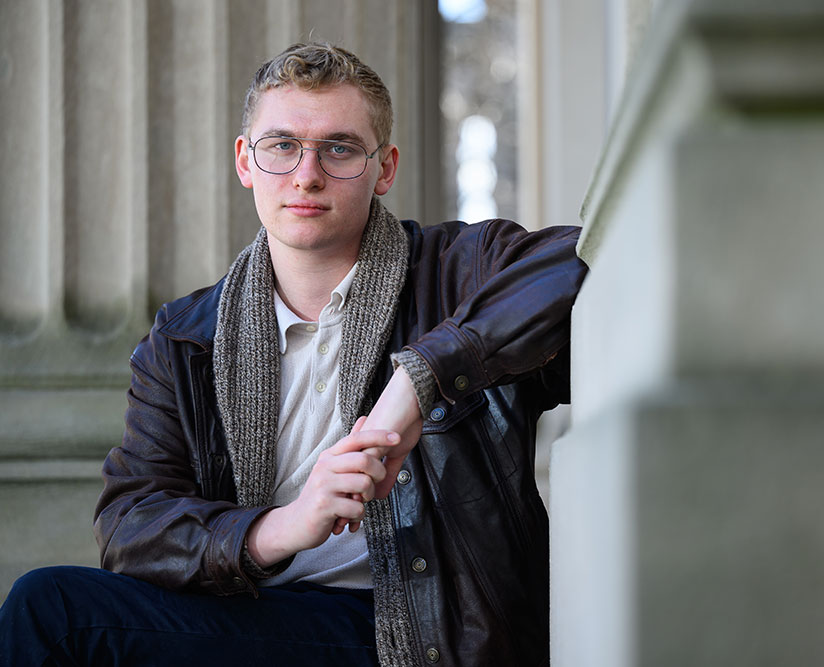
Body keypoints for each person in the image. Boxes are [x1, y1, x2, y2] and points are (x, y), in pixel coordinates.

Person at [0, 42, 586, 666]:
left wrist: (418, 382)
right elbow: (132, 523)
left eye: (339, 148)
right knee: (51, 609)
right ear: (245, 162)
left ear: (384, 168)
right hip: (255, 609)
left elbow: (580, 256)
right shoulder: (186, 336)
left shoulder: (460, 271)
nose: (306, 174)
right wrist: (282, 527)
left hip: (420, 631)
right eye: (281, 146)